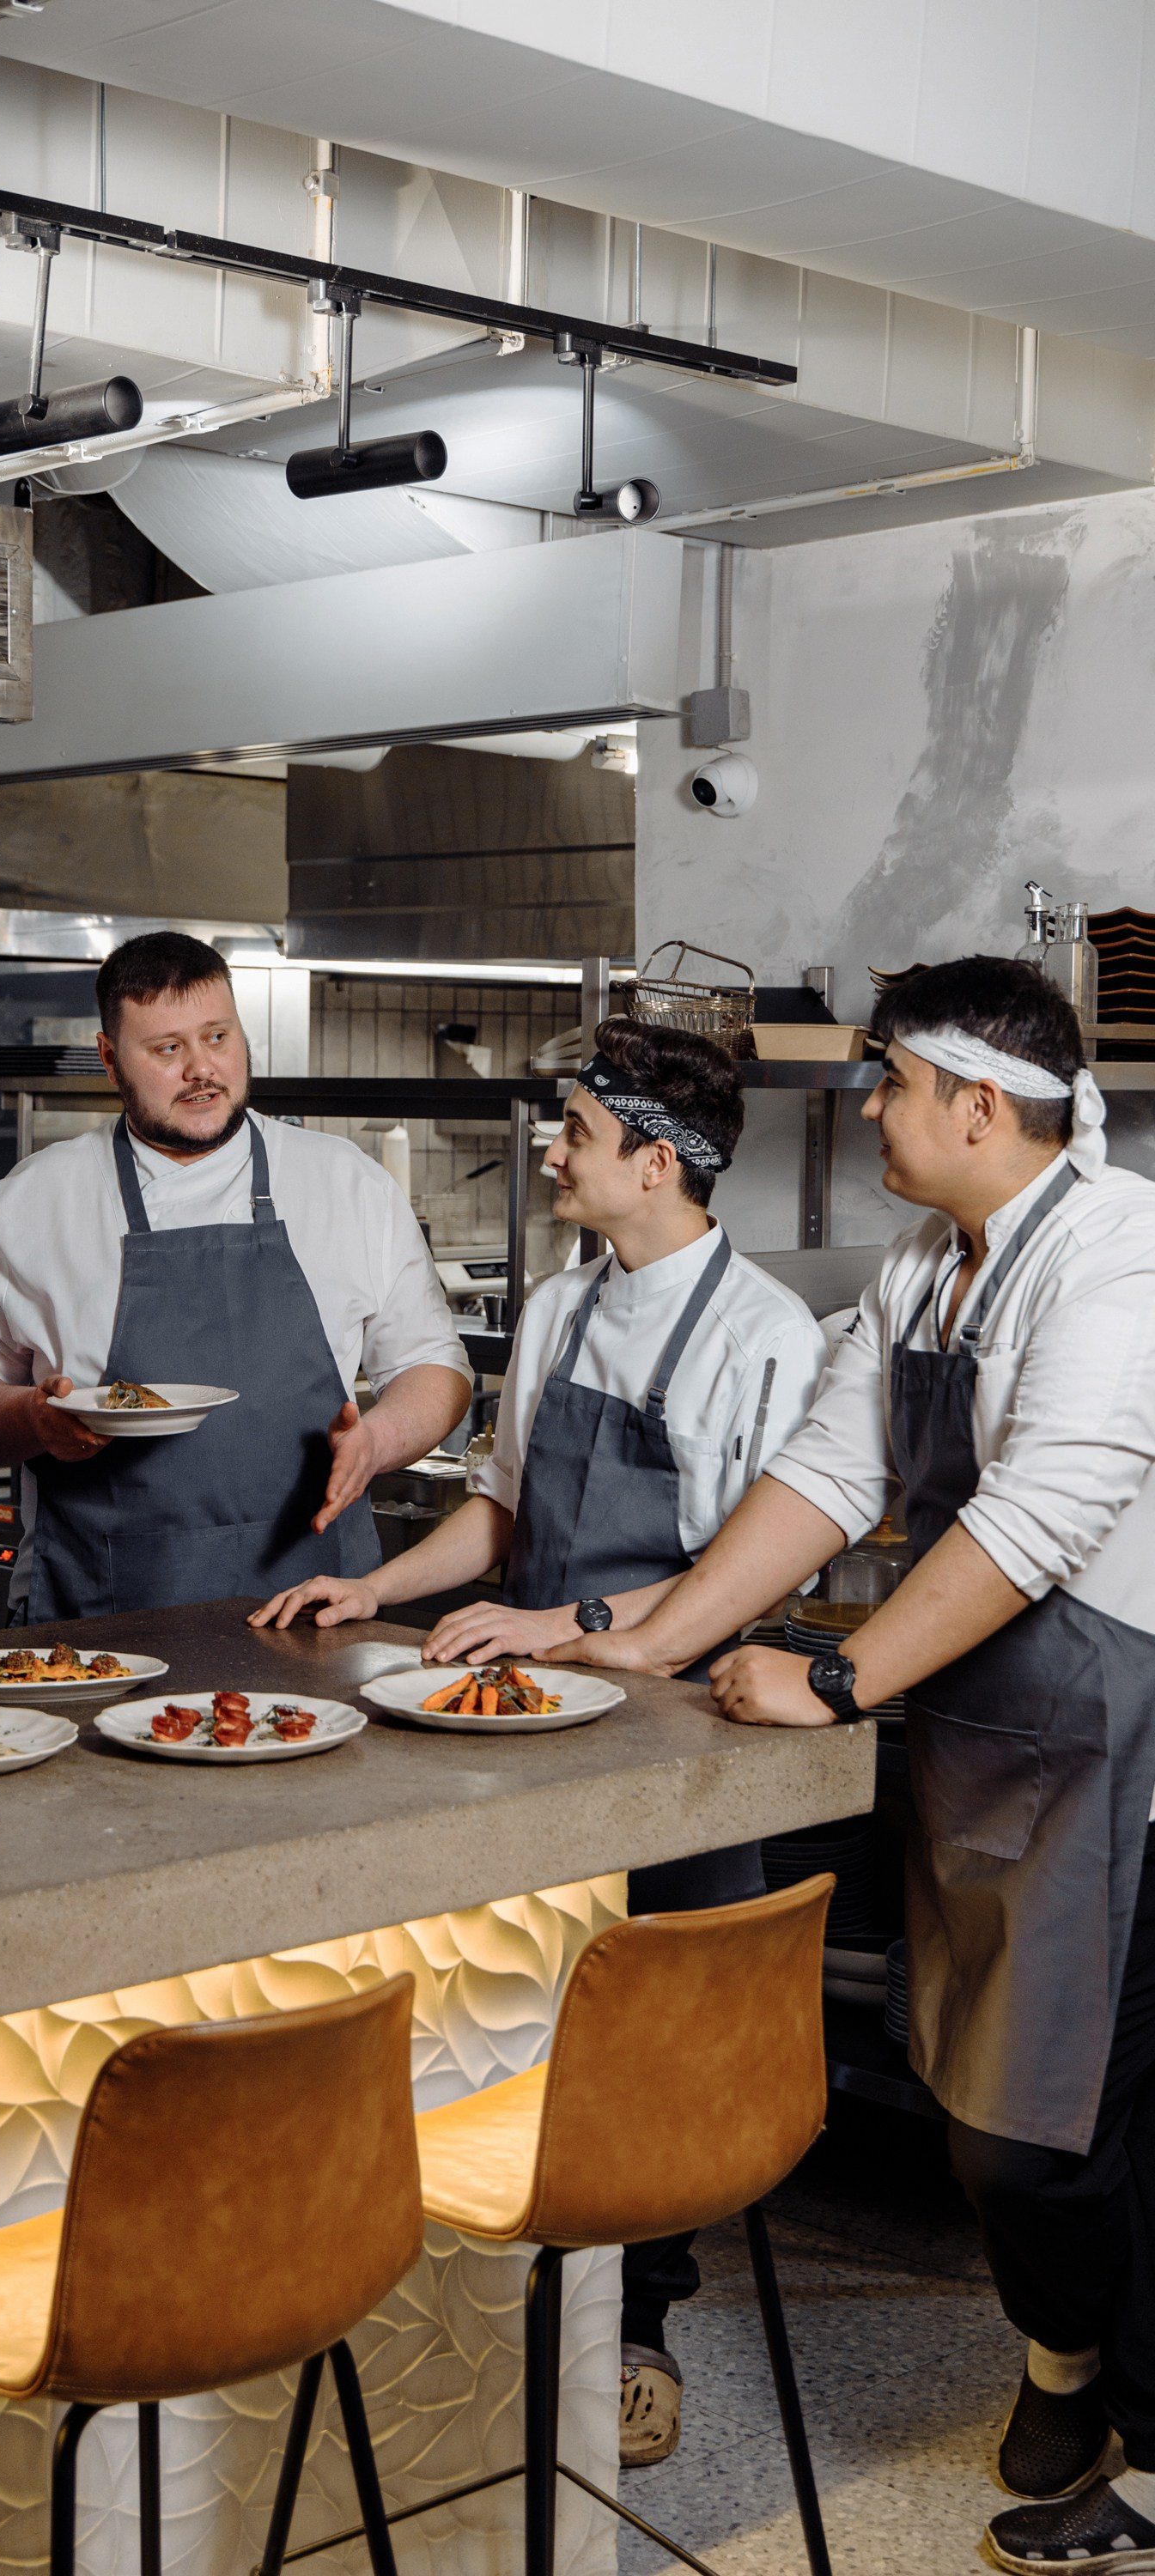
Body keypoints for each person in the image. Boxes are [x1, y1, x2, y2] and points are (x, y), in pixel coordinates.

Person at [569, 958, 1155, 2575]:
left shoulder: (1121, 1251)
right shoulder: (923, 1265)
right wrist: (661, 1636)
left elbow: (1045, 1513)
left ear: (979, 1102)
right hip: (992, 1731)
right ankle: (1067, 2373)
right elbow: (832, 1469)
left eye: (889, 1081)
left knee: (1075, 2128)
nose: (873, 1107)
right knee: (987, 2099)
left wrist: (837, 1676)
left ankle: (1144, 2451)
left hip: (1121, 1745)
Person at [254, 1013, 829, 2464]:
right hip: (525, 1713)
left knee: (651, 2045)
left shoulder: (763, 1332)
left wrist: (568, 1620)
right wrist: (376, 1584)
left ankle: (638, 2331)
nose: (552, 1152)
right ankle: (487, 2294)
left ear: (655, 1158)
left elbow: (751, 1574)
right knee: (514, 2015)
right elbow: (503, 1510)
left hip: (681, 1730)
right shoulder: (566, 1306)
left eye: (573, 1130)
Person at [0, 930, 472, 1617]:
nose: (201, 1070)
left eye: (218, 1036)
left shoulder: (346, 1184)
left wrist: (378, 1443)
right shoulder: (30, 1204)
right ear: (108, 1058)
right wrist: (33, 1420)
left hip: (315, 1610)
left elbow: (434, 1365)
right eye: (167, 1049)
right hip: (101, 1620)